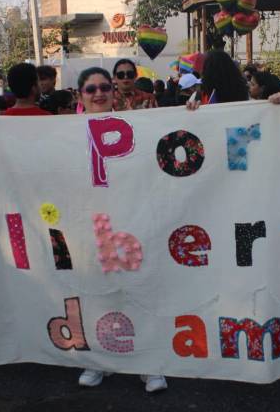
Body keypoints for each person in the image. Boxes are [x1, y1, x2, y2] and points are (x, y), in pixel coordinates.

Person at [73, 67, 168, 393]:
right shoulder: (61, 131)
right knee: (97, 293)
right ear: (80, 95)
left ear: (114, 92)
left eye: (104, 87)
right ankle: (98, 361)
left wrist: (191, 115)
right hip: (89, 225)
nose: (98, 93)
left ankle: (149, 363)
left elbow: (166, 143)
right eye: (91, 89)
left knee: (140, 290)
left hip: (133, 220)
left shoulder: (136, 125)